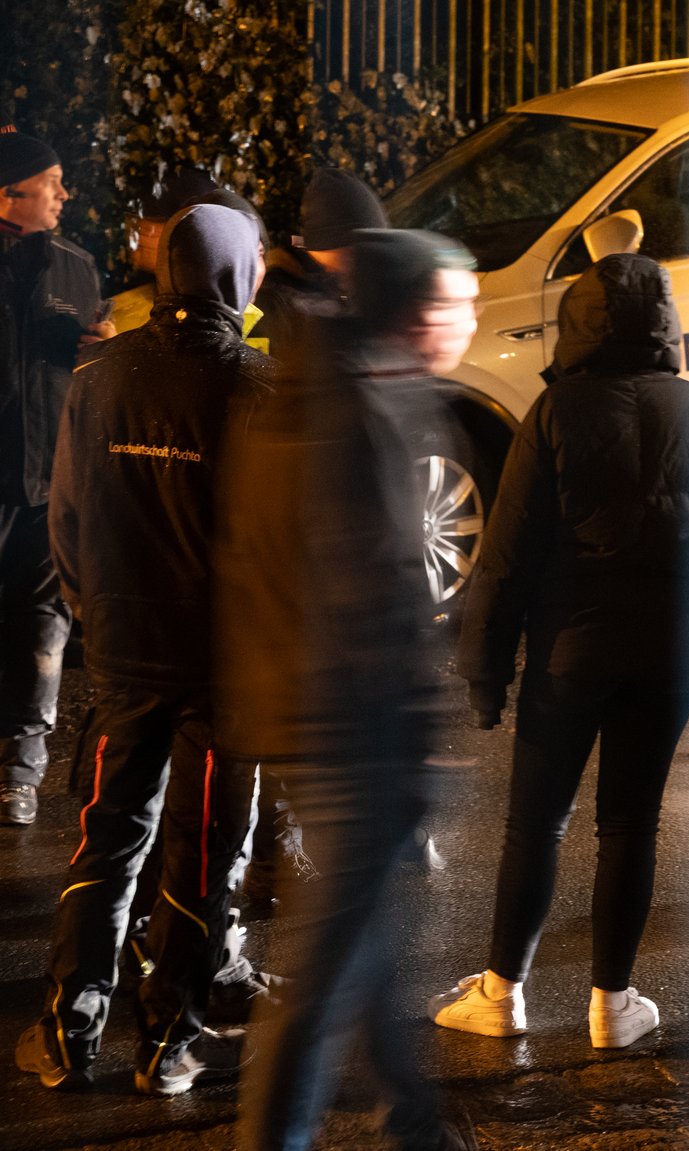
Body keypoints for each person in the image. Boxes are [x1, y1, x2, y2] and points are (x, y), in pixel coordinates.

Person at [432, 252, 689, 1050]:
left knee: (535, 824)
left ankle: (501, 991)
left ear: (578, 321)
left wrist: (484, 671)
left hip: (569, 657)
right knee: (631, 824)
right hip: (671, 656)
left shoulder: (555, 413)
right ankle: (614, 1003)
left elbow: (506, 554)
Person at [218, 229, 477, 1151]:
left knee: (368, 938)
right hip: (350, 724)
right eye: (458, 304)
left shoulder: (315, 392)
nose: (470, 320)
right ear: (416, 316)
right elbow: (369, 586)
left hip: (306, 708)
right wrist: (415, 724)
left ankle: (416, 1120)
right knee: (328, 965)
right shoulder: (362, 408)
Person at [15, 203, 271, 1094]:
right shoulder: (257, 385)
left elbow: (67, 516)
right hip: (219, 668)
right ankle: (170, 1043)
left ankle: (65, 1026)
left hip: (123, 654)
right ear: (238, 275)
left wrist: (96, 617)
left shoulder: (101, 375)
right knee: (201, 853)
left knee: (108, 836)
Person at [0, 128, 103, 827]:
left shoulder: (76, 266)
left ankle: (20, 774)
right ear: (9, 192)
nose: (65, 194)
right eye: (52, 181)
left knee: (45, 630)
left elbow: (89, 367)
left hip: (49, 484)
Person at [247, 167, 386, 353]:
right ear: (328, 243)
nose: (363, 259)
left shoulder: (348, 285)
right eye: (355, 248)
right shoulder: (276, 301)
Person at [106, 167, 219, 334]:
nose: (137, 239)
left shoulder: (243, 304)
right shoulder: (122, 309)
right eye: (135, 226)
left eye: (147, 229)